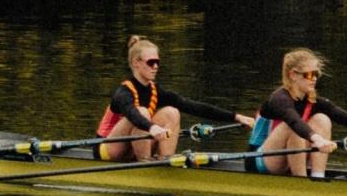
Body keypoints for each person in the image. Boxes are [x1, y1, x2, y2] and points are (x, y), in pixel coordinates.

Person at [251, 48, 347, 179]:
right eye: (309, 74)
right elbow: (294, 121)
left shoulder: (313, 101)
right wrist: (317, 139)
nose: (314, 79)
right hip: (260, 160)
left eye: (316, 74)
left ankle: (317, 176)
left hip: (289, 156)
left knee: (322, 119)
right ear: (293, 75)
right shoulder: (278, 99)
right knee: (292, 127)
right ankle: (301, 181)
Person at [97, 36, 255, 161]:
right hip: (108, 149)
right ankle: (144, 165)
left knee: (172, 112)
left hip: (136, 144)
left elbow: (194, 107)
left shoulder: (156, 91)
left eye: (157, 62)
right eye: (151, 62)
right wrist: (153, 128)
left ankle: (165, 160)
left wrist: (236, 117)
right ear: (136, 63)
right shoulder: (123, 92)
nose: (156, 67)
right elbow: (133, 114)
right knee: (142, 112)